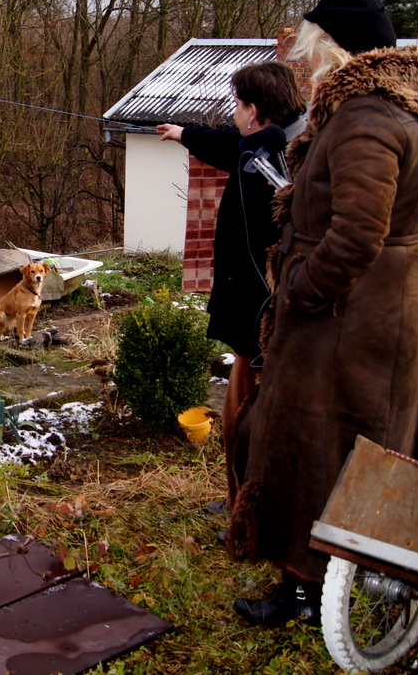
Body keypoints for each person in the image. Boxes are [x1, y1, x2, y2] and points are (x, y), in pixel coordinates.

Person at [227, 0, 418, 626]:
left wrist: (302, 289)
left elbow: (359, 233)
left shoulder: (366, 117)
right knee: (366, 441)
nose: (305, 62)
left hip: (345, 316)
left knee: (317, 447)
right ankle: (351, 573)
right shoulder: (404, 108)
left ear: (335, 48)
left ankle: (307, 589)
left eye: (312, 48)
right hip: (380, 307)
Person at [156, 61, 306, 510]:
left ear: (254, 111)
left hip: (267, 307)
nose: (235, 113)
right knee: (241, 406)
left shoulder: (285, 156)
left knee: (256, 414)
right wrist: (184, 133)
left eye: (238, 105)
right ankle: (242, 499)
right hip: (257, 311)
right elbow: (231, 144)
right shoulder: (273, 140)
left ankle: (253, 507)